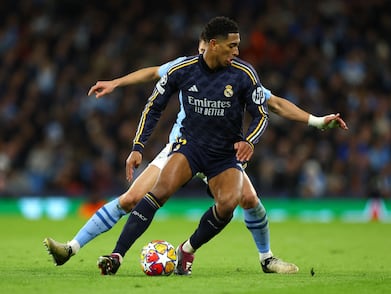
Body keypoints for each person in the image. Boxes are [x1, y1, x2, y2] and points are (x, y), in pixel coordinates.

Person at [44, 26, 347, 275]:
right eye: (231, 46)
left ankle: (265, 258)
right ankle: (72, 248)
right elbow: (152, 75)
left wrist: (317, 121)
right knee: (133, 197)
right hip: (184, 146)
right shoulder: (184, 67)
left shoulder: (241, 74)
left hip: (222, 153)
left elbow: (273, 104)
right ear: (209, 45)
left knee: (248, 200)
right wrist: (117, 83)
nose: (236, 51)